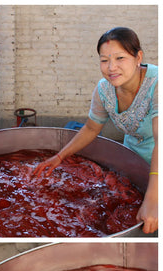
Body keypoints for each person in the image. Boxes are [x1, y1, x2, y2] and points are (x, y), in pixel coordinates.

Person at [34, 27, 158, 234]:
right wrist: (59, 156)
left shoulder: (157, 83)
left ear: (138, 57)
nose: (112, 67)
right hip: (134, 156)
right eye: (104, 60)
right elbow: (91, 128)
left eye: (120, 58)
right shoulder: (104, 90)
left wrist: (153, 198)